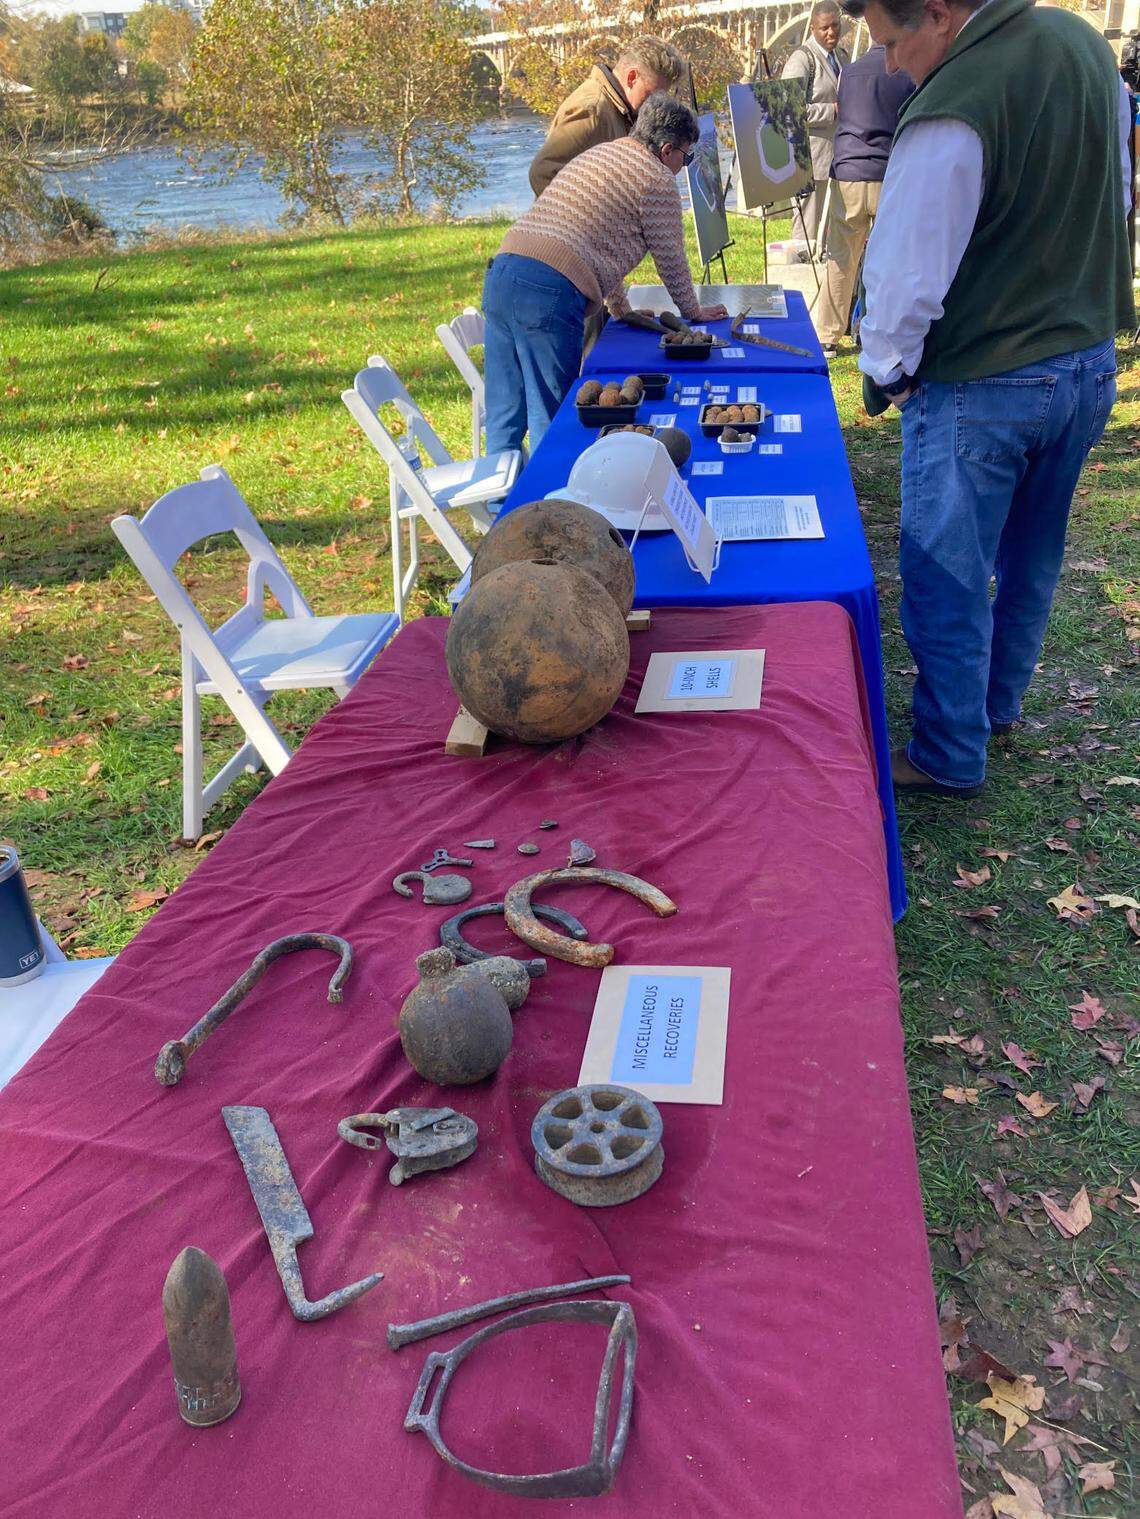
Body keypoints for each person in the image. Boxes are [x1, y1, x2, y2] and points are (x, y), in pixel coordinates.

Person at [845, 0, 1134, 798]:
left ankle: (948, 749)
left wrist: (891, 372)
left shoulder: (954, 103)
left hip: (986, 374)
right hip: (1086, 363)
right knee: (1033, 553)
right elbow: (1115, 197)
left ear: (940, 14)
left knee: (948, 571)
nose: (890, 64)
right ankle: (995, 706)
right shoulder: (1085, 47)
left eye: (892, 42)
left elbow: (903, 277)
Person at [484, 94, 728, 457]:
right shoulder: (657, 178)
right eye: (686, 156)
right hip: (548, 291)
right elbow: (670, 258)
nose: (683, 165)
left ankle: (498, 492)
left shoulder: (603, 153)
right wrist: (693, 312)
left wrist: (620, 308)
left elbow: (598, 241)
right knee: (553, 418)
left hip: (503, 272)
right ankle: (553, 491)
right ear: (667, 150)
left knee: (505, 413)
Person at [814, 44, 912, 356]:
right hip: (887, 173)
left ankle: (827, 335)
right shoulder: (905, 73)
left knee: (840, 258)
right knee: (892, 259)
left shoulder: (848, 72)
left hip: (848, 174)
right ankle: (882, 330)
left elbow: (841, 114)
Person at [529, 37, 688, 197]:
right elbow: (544, 172)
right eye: (653, 94)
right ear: (632, 78)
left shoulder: (620, 108)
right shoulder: (592, 110)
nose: (655, 103)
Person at [781, 1, 850, 242]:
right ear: (812, 28)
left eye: (835, 25)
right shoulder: (801, 60)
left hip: (839, 159)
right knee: (806, 234)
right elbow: (788, 111)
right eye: (824, 28)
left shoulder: (841, 57)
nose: (831, 32)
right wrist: (832, 111)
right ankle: (801, 265)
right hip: (809, 161)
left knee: (833, 232)